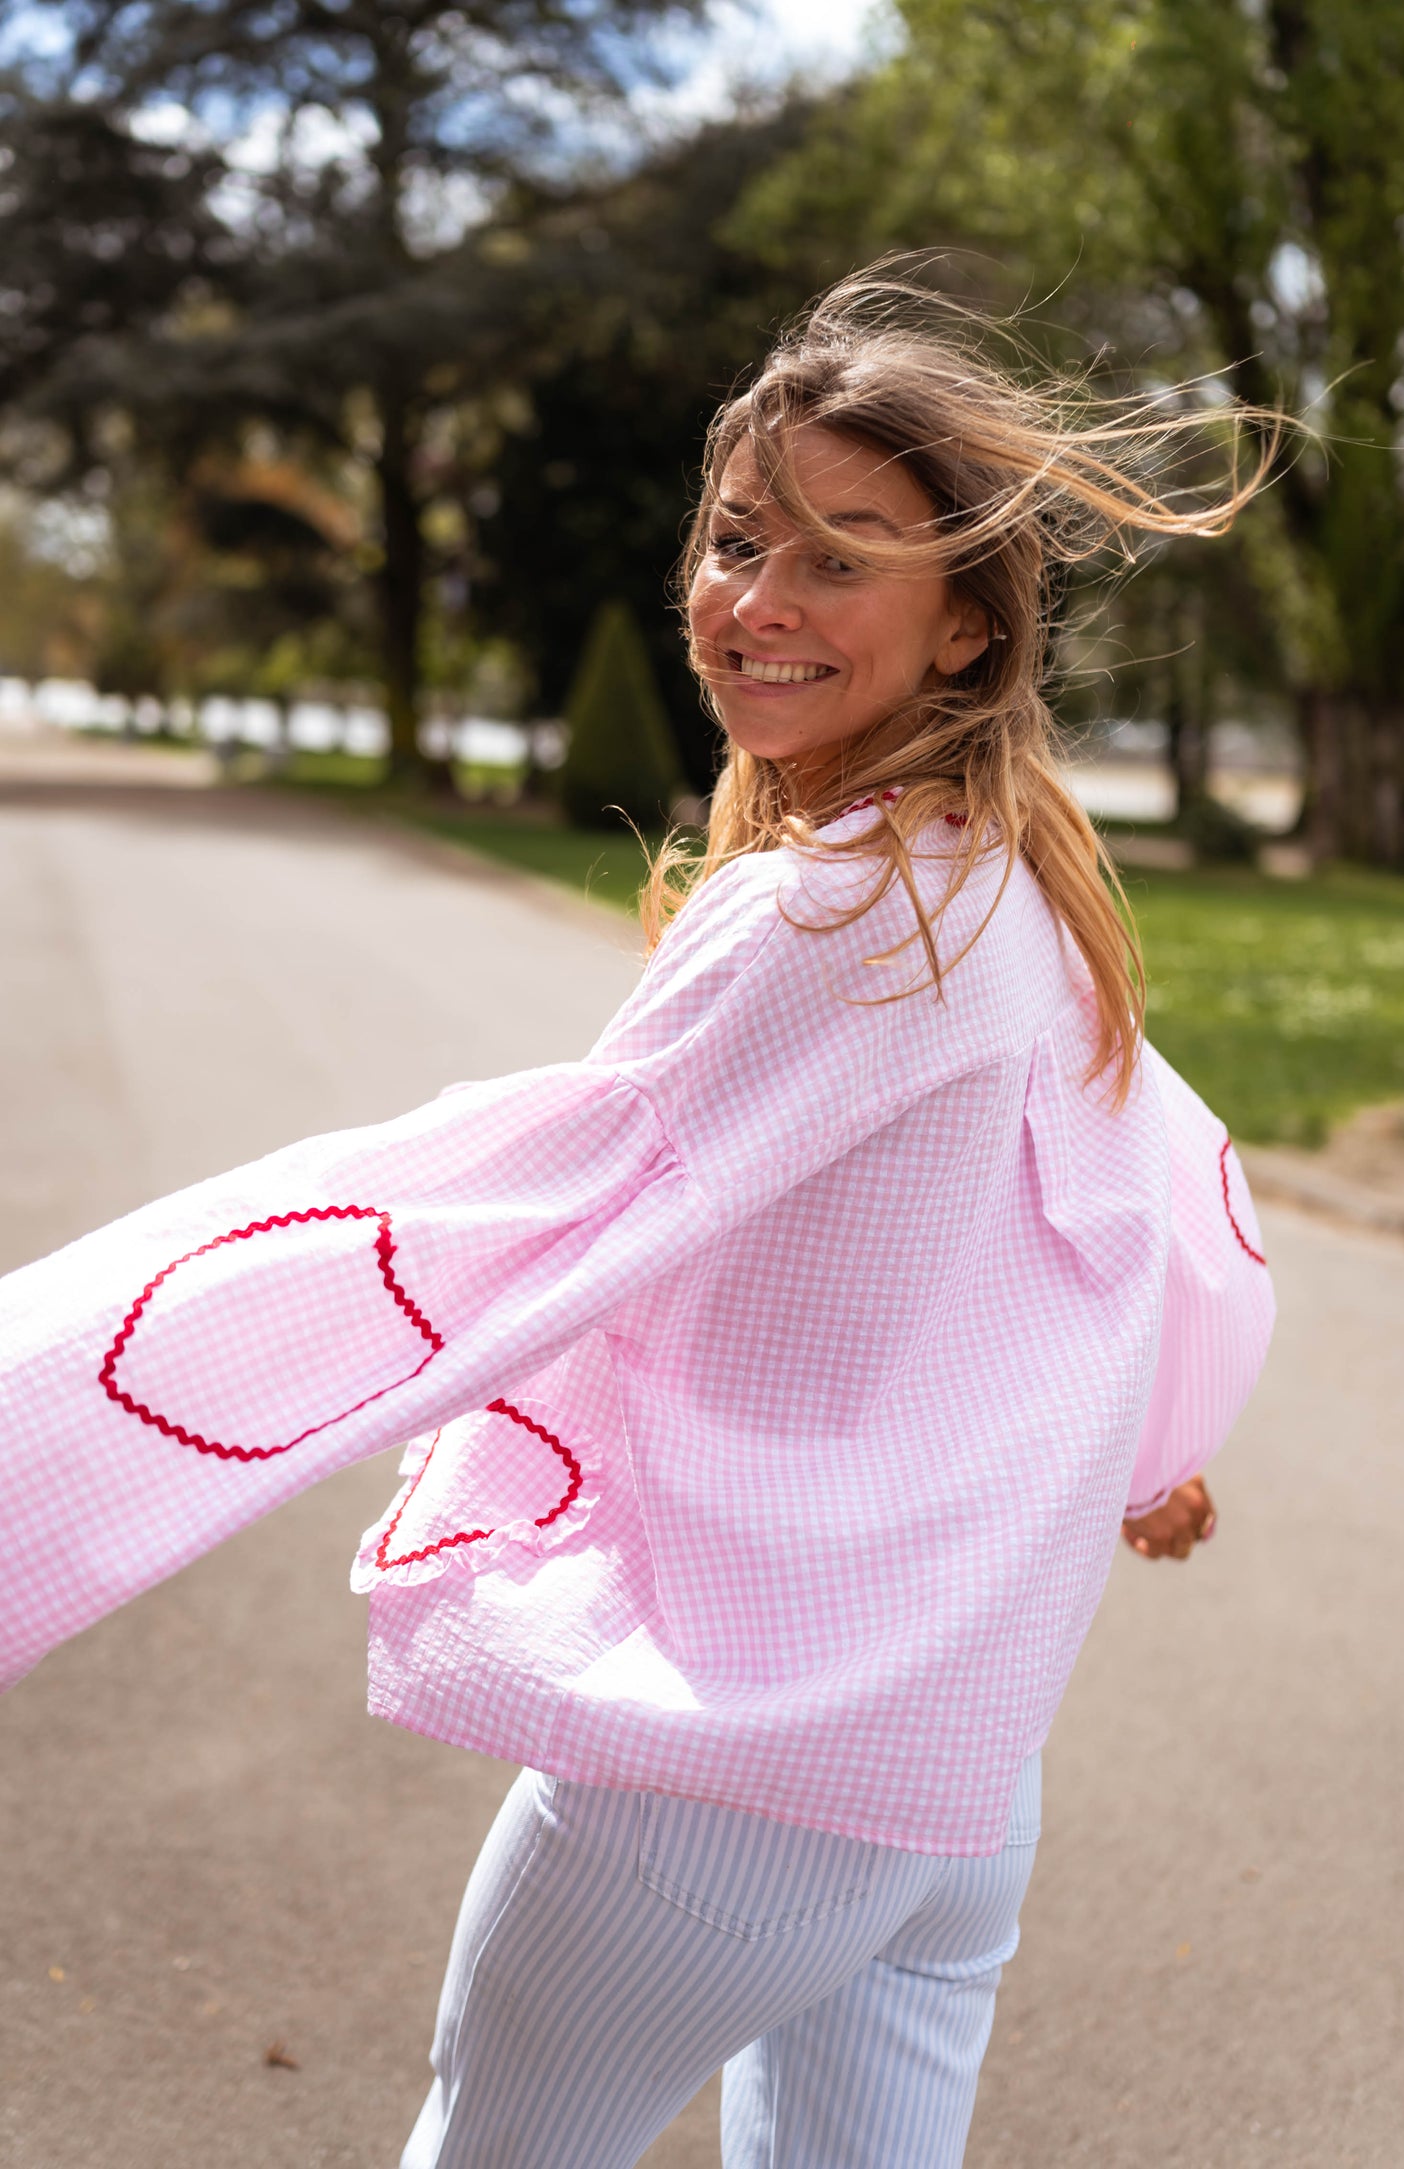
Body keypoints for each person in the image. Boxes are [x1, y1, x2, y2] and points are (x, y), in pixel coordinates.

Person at [0, 271, 1277, 2167]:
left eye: (840, 557)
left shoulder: (835, 909)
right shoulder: (1015, 881)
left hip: (739, 1759)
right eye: (739, 538)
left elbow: (502, 1214)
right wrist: (1157, 1444)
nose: (758, 599)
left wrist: (43, 1415)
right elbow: (1147, 1195)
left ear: (965, 622)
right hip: (946, 1765)